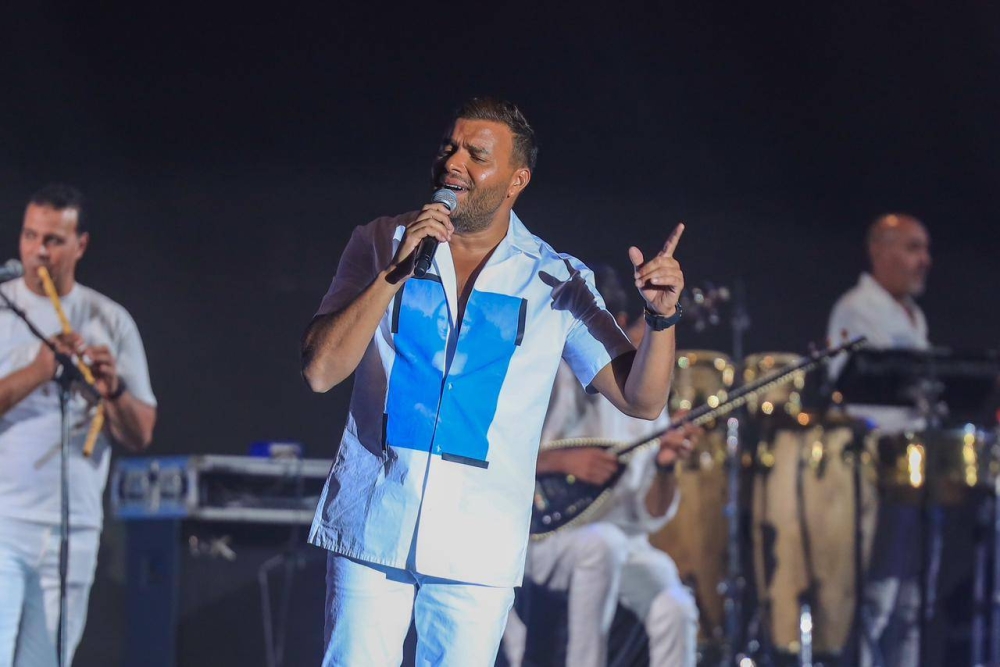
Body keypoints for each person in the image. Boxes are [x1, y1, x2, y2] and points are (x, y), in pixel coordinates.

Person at [301, 97, 687, 667]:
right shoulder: (380, 241)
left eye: (476, 155)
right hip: (372, 525)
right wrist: (394, 272)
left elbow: (643, 400)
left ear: (516, 180)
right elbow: (320, 371)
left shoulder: (555, 278)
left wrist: (661, 318)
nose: (453, 163)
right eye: (449, 148)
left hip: (477, 548)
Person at [502, 265, 702, 667]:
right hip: (550, 535)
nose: (651, 346)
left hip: (626, 541)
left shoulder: (652, 402)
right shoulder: (563, 375)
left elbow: (651, 514)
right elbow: (506, 452)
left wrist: (665, 467)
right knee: (602, 544)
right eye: (644, 330)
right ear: (617, 323)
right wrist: (561, 459)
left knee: (675, 603)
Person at [0, 184, 157, 667]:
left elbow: (140, 433)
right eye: (30, 236)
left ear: (80, 245)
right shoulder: (3, 307)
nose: (38, 252)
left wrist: (112, 390)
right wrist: (42, 369)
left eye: (52, 240)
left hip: (74, 530)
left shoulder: (110, 320)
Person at [827, 213, 931, 667]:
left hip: (914, 470)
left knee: (910, 600)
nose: (924, 260)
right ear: (880, 251)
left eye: (925, 249)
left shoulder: (914, 316)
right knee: (878, 595)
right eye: (912, 248)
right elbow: (854, 394)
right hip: (876, 470)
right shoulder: (856, 308)